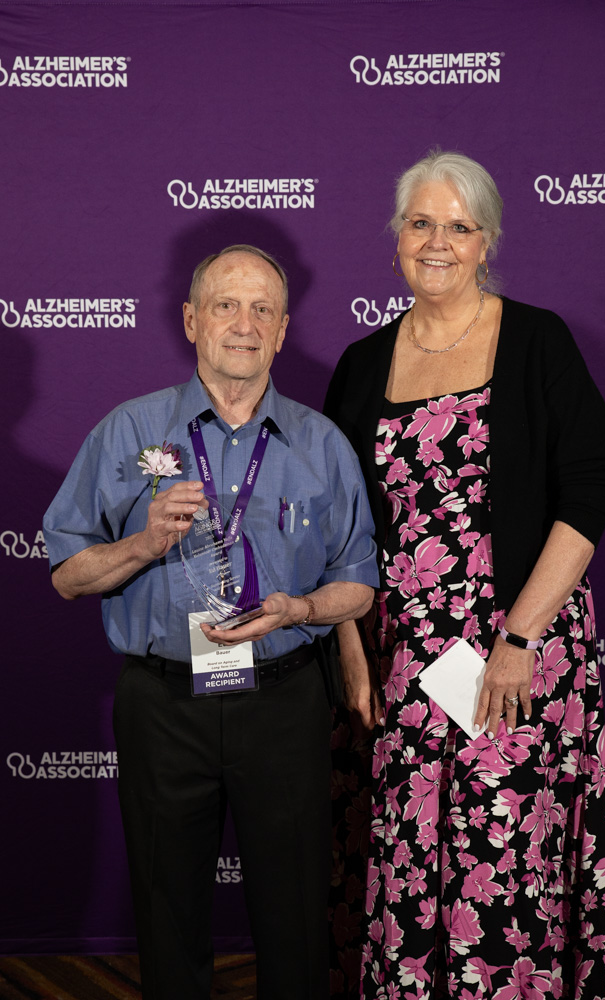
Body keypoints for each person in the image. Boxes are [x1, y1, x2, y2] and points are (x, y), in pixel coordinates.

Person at [43, 244, 378, 1000]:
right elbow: (67, 576)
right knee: (168, 913)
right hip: (164, 706)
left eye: (263, 309)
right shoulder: (128, 433)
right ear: (192, 319)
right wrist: (144, 541)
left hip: (283, 700)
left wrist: (301, 608)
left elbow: (357, 585)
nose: (244, 323)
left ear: (285, 330)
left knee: (295, 917)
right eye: (226, 305)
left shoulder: (323, 445)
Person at [324, 152, 605, 998]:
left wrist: (519, 636)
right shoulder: (360, 363)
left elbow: (589, 489)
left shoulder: (535, 340)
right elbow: (340, 528)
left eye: (457, 225)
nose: (438, 241)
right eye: (420, 223)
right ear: (395, 242)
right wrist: (350, 647)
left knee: (503, 860)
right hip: (401, 656)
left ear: (485, 240)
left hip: (517, 650)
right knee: (410, 857)